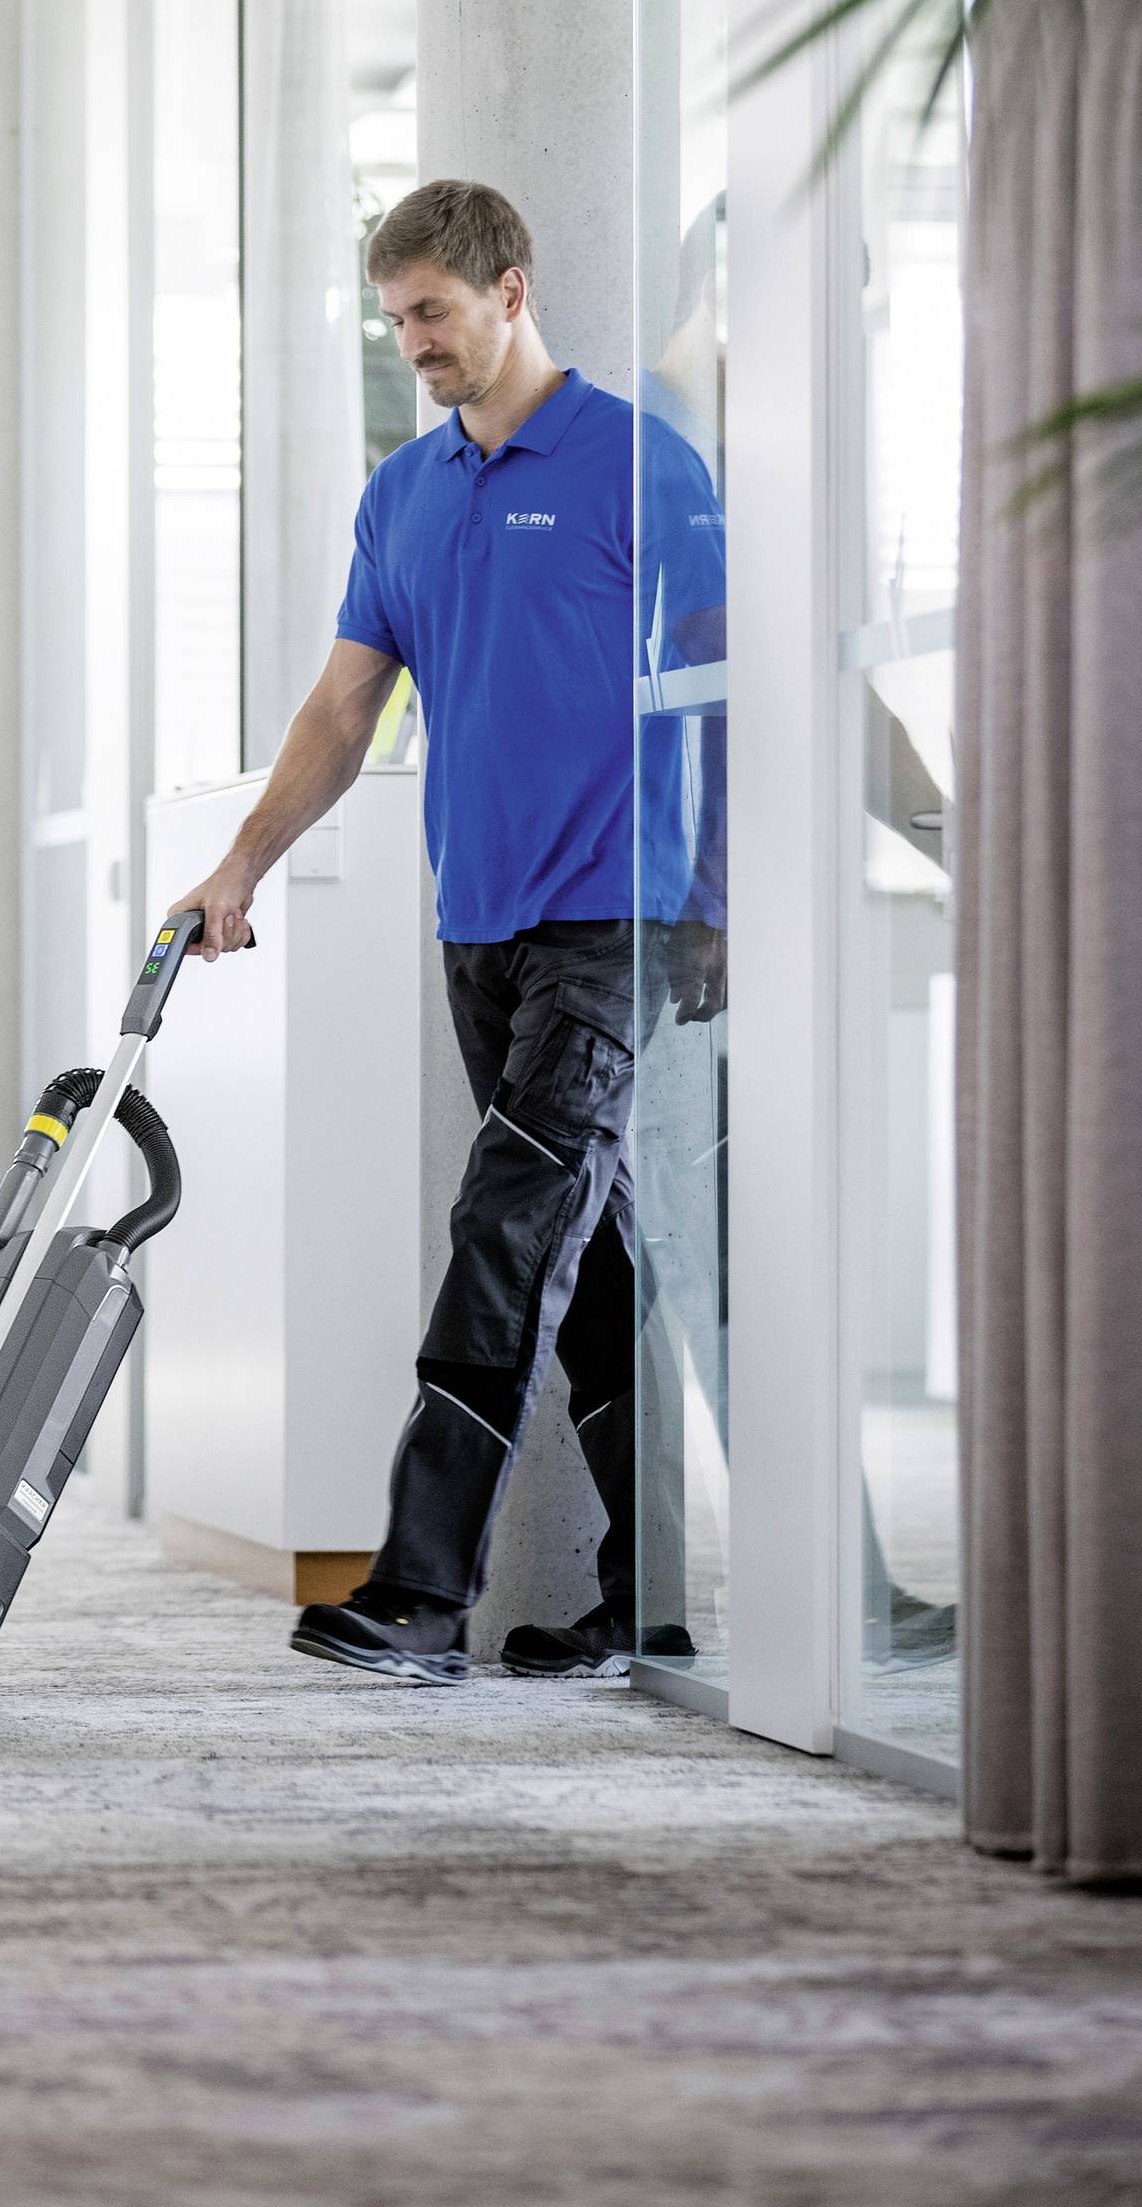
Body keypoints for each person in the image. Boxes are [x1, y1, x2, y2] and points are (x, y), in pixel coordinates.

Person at [170, 179, 726, 1684]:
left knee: (502, 1228)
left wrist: (722, 900)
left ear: (512, 291)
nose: (412, 339)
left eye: (432, 310)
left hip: (616, 914)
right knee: (584, 1254)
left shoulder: (638, 467)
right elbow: (345, 710)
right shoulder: (406, 495)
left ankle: (419, 1593)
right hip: (477, 918)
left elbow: (728, 688)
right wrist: (243, 865)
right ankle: (651, 1593)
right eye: (396, 316)